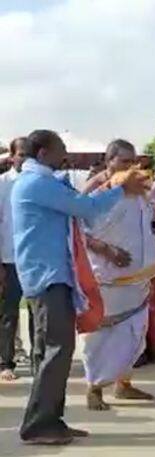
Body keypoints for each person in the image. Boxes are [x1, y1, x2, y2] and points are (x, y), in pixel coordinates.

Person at [13, 130, 148, 445]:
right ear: (44, 152)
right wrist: (119, 188)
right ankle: (39, 424)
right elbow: (86, 208)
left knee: (53, 351)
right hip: (48, 278)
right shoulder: (37, 184)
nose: (66, 153)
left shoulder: (44, 182)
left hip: (53, 276)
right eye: (61, 147)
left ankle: (49, 420)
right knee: (57, 350)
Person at [78, 140, 155, 411]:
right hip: (107, 276)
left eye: (133, 161)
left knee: (135, 330)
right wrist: (106, 249)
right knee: (102, 334)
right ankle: (94, 388)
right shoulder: (98, 191)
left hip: (138, 276)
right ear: (109, 161)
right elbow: (78, 229)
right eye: (124, 161)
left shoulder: (137, 189)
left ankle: (123, 384)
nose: (131, 167)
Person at [0, 137, 27, 381]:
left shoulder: (39, 182)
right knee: (9, 313)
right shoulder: (2, 184)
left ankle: (40, 360)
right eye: (21, 154)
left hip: (36, 259)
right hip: (9, 258)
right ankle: (5, 362)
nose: (24, 159)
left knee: (40, 313)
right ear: (11, 156)